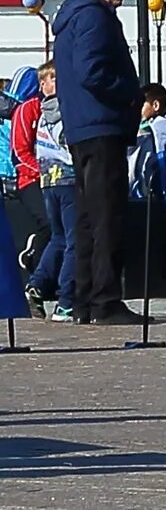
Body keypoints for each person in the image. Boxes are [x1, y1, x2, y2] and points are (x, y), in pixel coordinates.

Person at [51, 0, 143, 325]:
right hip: (101, 126)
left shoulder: (71, 19)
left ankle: (85, 299)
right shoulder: (93, 15)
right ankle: (105, 300)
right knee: (107, 217)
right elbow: (92, 71)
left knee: (89, 218)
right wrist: (129, 93)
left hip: (83, 128)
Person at [13, 62, 77, 319]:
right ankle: (64, 297)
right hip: (38, 179)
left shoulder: (55, 106)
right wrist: (40, 170)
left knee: (58, 234)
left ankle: (38, 286)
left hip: (51, 178)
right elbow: (20, 150)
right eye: (49, 79)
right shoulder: (30, 109)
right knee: (66, 235)